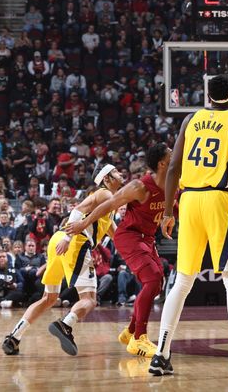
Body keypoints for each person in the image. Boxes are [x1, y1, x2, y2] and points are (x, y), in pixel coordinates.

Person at [150, 75, 228, 378]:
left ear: (207, 94)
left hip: (188, 201)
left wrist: (167, 211)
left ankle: (161, 354)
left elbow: (174, 167)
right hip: (218, 200)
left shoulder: (190, 119)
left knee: (182, 281)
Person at [1, 164, 124, 357]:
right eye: (116, 172)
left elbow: (117, 236)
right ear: (106, 179)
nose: (121, 173)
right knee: (90, 300)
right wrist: (68, 238)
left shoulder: (108, 207)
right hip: (73, 242)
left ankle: (14, 337)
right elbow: (77, 209)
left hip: (57, 241)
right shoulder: (105, 194)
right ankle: (65, 325)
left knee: (49, 298)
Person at [67, 143, 171, 358]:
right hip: (129, 236)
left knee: (158, 282)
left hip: (147, 238)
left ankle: (130, 331)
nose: (175, 156)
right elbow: (110, 204)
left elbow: (168, 206)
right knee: (152, 280)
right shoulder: (139, 186)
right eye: (171, 154)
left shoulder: (172, 182)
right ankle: (138, 339)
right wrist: (82, 224)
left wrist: (169, 218)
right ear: (162, 164)